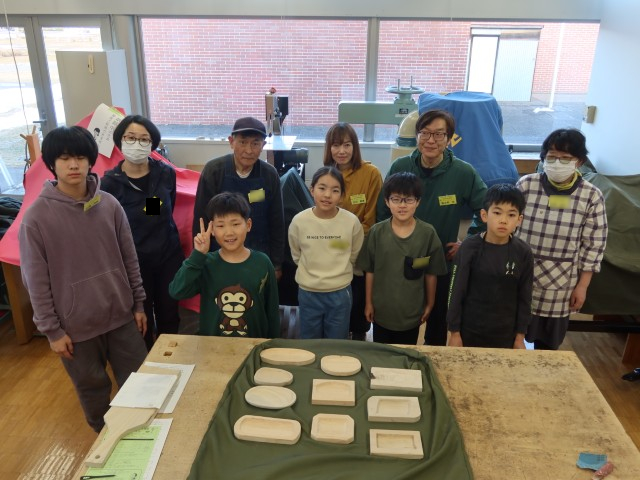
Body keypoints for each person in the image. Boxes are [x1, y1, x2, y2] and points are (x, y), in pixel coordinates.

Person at [19, 126, 148, 432]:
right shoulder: (36, 218)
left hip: (121, 316)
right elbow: (35, 281)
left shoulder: (109, 205)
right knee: (93, 392)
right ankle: (104, 442)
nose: (73, 165)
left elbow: (130, 258)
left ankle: (145, 439)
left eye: (80, 157)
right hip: (75, 329)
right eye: (64, 158)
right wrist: (52, 331)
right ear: (52, 164)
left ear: (91, 160)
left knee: (141, 383)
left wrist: (139, 304)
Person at [376, 109, 487, 346]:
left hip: (440, 262)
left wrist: (468, 242)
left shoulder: (463, 172)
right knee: (398, 319)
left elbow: (486, 209)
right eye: (425, 133)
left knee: (437, 322)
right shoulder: (401, 166)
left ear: (449, 138)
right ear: (417, 135)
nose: (431, 140)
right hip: (401, 259)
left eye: (439, 134)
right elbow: (383, 209)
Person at [516, 128, 608, 350]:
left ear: (579, 161)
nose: (557, 163)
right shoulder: (526, 185)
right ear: (543, 158)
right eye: (551, 157)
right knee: (512, 339)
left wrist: (582, 286)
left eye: (565, 158)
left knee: (547, 347)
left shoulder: (591, 195)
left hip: (561, 283)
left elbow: (594, 245)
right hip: (520, 276)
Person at [101, 115, 184, 349]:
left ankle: (169, 357)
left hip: (168, 255)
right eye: (130, 138)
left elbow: (169, 207)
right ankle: (144, 360)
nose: (137, 144)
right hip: (134, 262)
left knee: (169, 312)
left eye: (144, 139)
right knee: (141, 316)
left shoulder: (166, 173)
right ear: (120, 141)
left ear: (152, 144)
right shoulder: (109, 184)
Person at [170, 192, 280, 338]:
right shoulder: (206, 263)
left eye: (235, 224)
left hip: (254, 346)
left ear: (248, 225)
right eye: (221, 225)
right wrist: (197, 255)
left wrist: (272, 344)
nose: (229, 232)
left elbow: (272, 312)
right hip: (213, 346)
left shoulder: (262, 263)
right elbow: (177, 291)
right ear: (212, 230)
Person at [357, 172, 447, 345]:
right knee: (382, 354)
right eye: (396, 199)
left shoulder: (427, 234)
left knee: (406, 354)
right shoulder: (377, 232)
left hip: (411, 313)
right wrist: (368, 303)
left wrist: (430, 304)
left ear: (418, 201)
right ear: (387, 201)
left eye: (409, 200)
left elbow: (431, 273)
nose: (402, 205)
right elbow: (370, 271)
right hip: (382, 312)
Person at [192, 117, 285, 279]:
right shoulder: (214, 171)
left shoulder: (270, 175)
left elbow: (277, 221)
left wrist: (276, 263)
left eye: (255, 143)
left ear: (263, 145)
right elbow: (201, 219)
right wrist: (201, 258)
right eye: (242, 142)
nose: (249, 150)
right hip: (219, 255)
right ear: (231, 142)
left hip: (258, 253)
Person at [447, 184, 533, 349]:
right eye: (497, 212)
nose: (503, 220)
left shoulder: (523, 252)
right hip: (469, 331)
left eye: (511, 214)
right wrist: (454, 333)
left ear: (519, 220)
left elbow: (525, 297)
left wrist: (520, 337)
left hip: (506, 334)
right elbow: (456, 292)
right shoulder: (469, 248)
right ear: (484, 215)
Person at [322, 122, 383, 341]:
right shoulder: (327, 175)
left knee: (357, 301)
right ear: (329, 148)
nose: (342, 151)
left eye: (347, 145)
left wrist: (346, 240)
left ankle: (358, 336)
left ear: (355, 146)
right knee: (335, 302)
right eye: (336, 145)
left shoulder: (371, 174)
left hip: (360, 248)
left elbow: (372, 219)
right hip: (331, 248)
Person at [288, 166, 364, 339]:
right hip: (308, 292)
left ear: (342, 195)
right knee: (309, 340)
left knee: (337, 341)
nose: (327, 195)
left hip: (340, 293)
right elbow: (296, 254)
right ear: (312, 190)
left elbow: (354, 254)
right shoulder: (299, 221)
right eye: (322, 188)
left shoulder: (351, 222)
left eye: (335, 190)